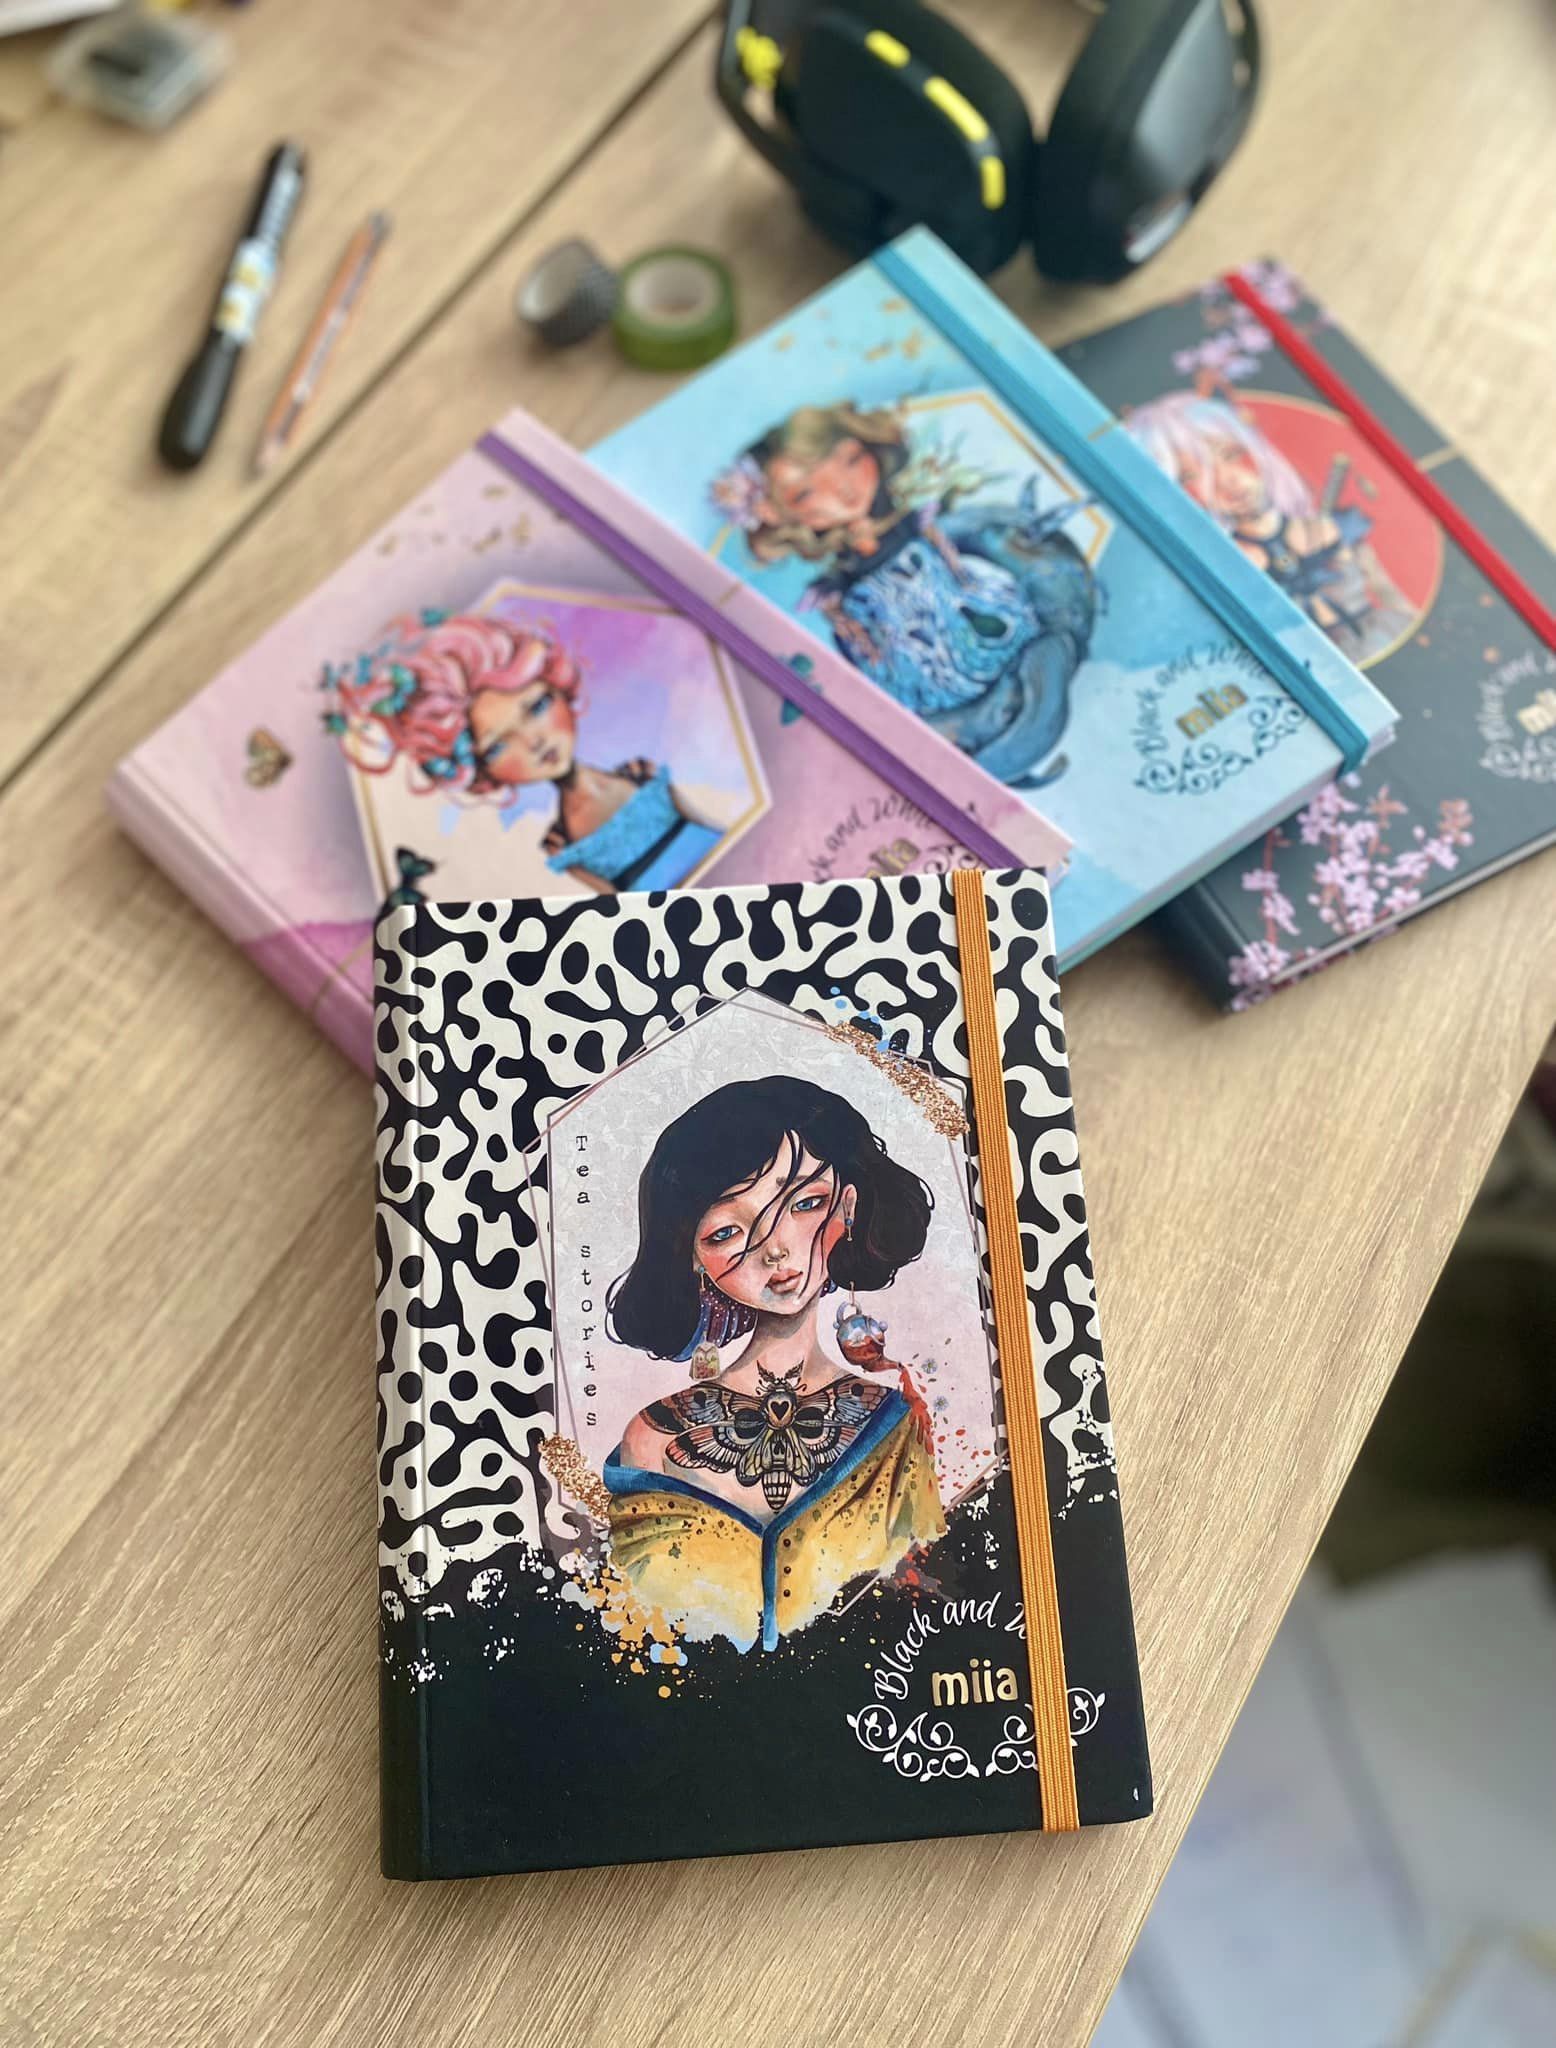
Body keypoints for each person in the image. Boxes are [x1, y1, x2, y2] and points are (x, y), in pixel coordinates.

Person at [603, 1075, 948, 1651]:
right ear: (693, 1258)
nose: (776, 1249)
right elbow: (634, 1629)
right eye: (727, 1232)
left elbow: (918, 1614)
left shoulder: (894, 1425)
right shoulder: (652, 1438)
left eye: (805, 1204)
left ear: (849, 1204)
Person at [712, 402, 1097, 788]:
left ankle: (1025, 708)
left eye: (850, 460)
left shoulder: (916, 522)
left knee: (999, 641)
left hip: (960, 609)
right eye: (805, 493)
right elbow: (855, 637)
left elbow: (950, 547)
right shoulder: (840, 580)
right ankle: (987, 752)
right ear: (781, 517)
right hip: (911, 645)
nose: (841, 488)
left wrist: (956, 564)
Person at [322, 610, 733, 891]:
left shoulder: (640, 773)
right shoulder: (561, 844)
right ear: (480, 772)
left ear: (560, 689)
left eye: (536, 707)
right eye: (499, 746)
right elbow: (620, 908)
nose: (533, 741)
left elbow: (706, 821)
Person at [1127, 392, 1415, 665]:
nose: (1228, 480)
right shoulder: (1225, 570)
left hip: (1392, 643)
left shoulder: (1329, 527)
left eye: (1231, 455)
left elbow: (1391, 595)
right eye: (1189, 476)